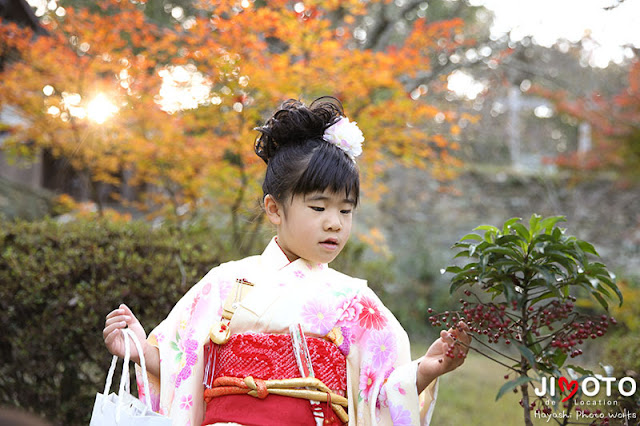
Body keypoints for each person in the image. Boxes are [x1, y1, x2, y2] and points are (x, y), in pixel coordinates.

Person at [103, 96, 470, 426]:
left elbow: (382, 392)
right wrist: (138, 350)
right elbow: (182, 365)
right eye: (318, 207)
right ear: (274, 209)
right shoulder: (225, 281)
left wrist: (424, 370)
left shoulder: (357, 303)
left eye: (346, 210)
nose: (334, 222)